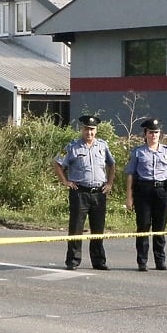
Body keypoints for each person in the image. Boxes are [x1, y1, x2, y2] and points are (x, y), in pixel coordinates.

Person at [53, 115, 116, 270]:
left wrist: (109, 183)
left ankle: (99, 261)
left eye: (92, 129)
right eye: (86, 129)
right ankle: (73, 260)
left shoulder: (102, 146)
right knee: (76, 228)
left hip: (98, 193)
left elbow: (112, 164)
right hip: (80, 192)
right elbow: (57, 163)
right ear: (82, 129)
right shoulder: (72, 147)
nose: (89, 132)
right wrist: (65, 181)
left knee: (98, 229)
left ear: (96, 130)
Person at [124, 118, 167, 271]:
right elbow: (130, 174)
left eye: (156, 132)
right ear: (146, 134)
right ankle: (142, 262)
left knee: (159, 228)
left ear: (159, 134)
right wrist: (129, 197)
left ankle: (160, 261)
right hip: (143, 191)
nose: (153, 135)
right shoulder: (138, 152)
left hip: (163, 191)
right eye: (151, 132)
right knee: (143, 226)